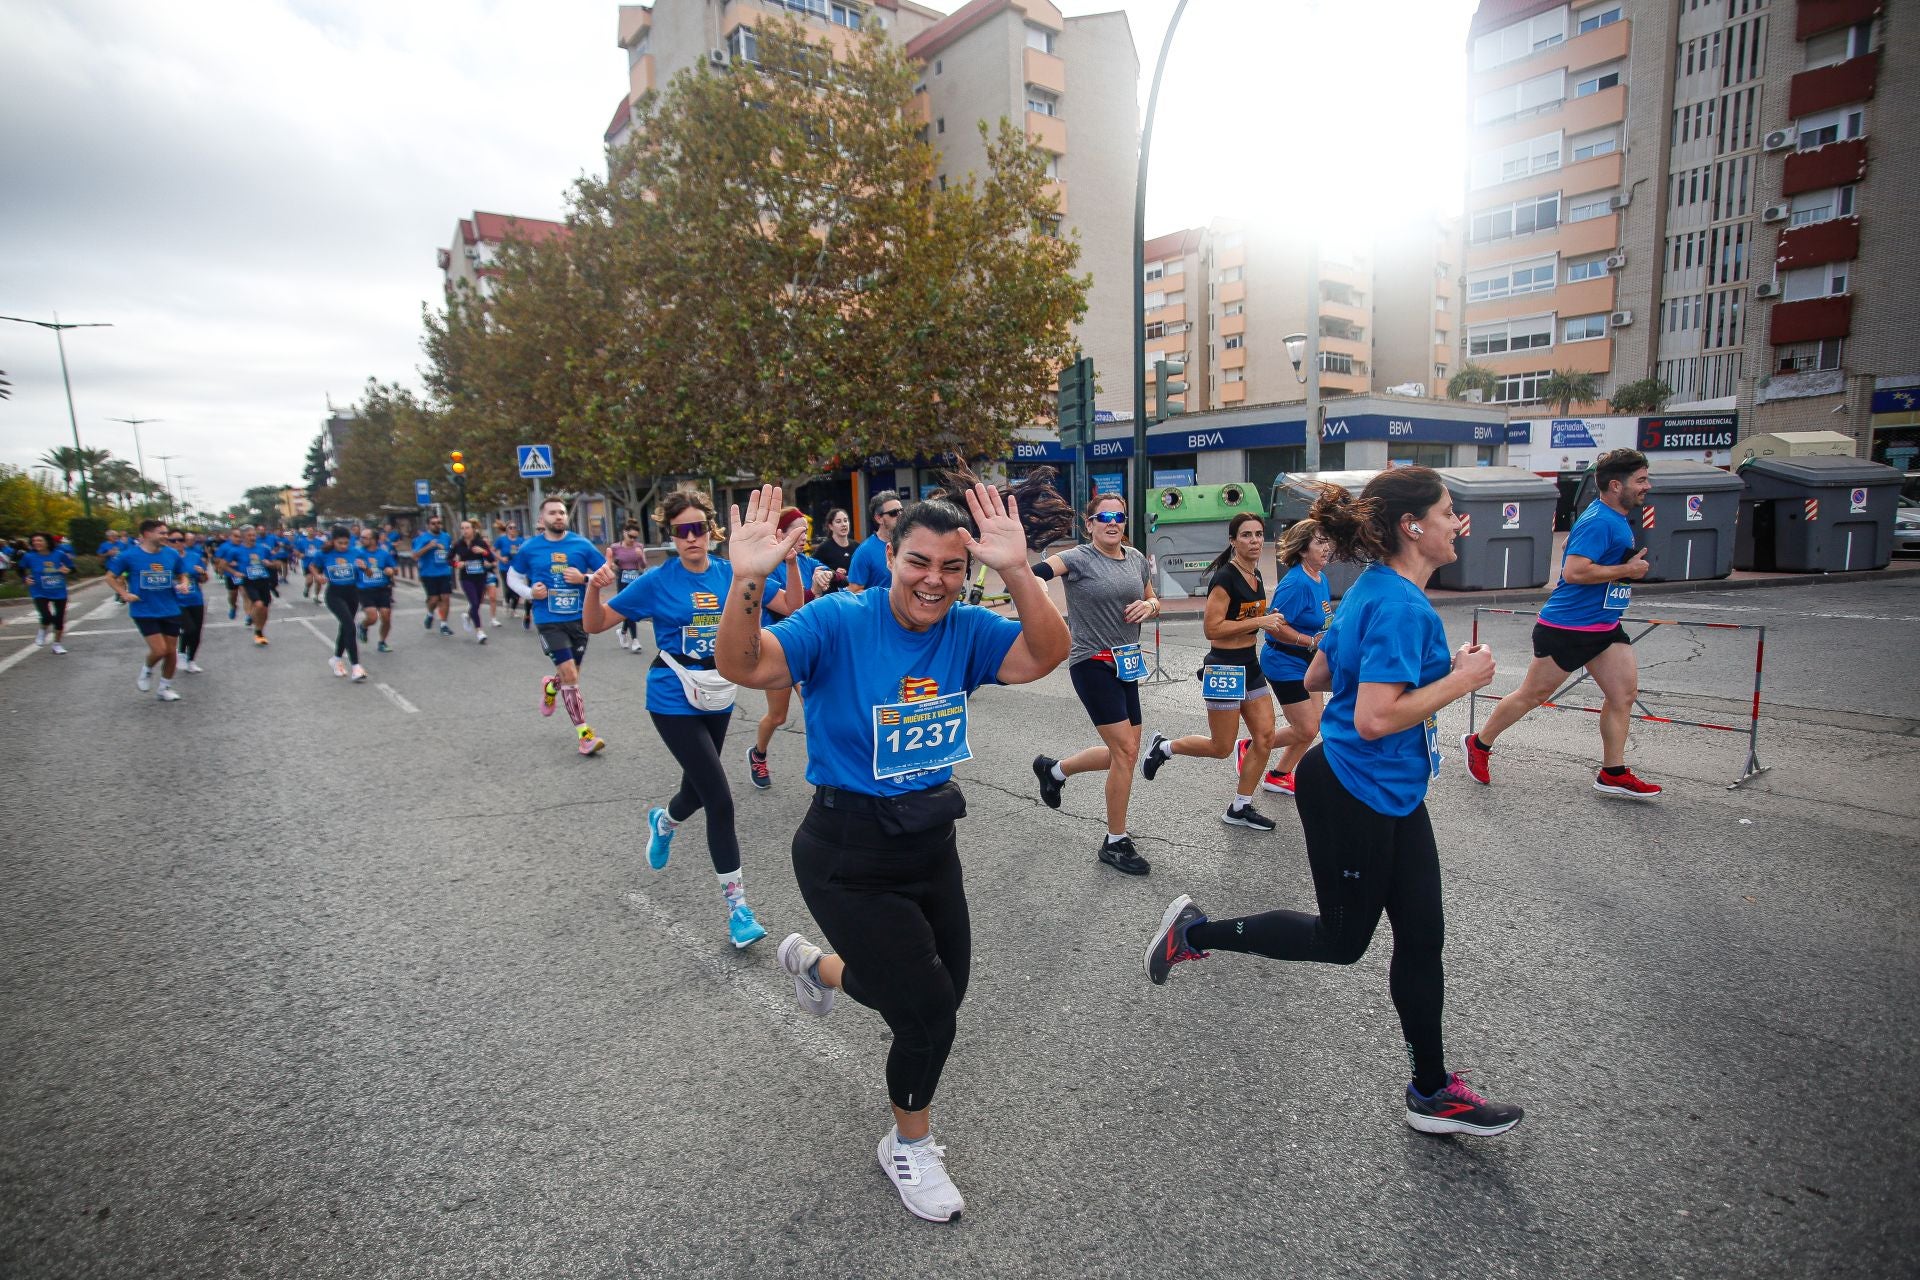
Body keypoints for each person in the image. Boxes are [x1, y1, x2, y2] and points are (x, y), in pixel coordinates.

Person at [716, 475, 1072, 1224]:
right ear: (889, 552)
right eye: (919, 562)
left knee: (943, 989)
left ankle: (814, 966)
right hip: (847, 850)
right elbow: (745, 666)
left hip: (929, 840)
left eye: (952, 567)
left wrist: (1015, 569)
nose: (934, 581)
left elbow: (1044, 655)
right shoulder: (840, 620)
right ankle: (908, 1144)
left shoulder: (968, 628)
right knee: (928, 1017)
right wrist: (747, 581)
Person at [1143, 469, 1524, 1139]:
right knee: (1341, 942)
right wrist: (1462, 678)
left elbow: (1320, 673)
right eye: (1446, 511)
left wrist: (1432, 669)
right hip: (1355, 786)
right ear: (1412, 526)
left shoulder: (1376, 590)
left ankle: (1431, 1091)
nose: (1455, 523)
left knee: (1423, 938)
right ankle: (1193, 933)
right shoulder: (1398, 604)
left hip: (1393, 789)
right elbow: (1375, 718)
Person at [585, 490, 765, 949]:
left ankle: (664, 822)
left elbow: (789, 605)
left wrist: (786, 563)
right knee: (720, 798)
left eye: (699, 529)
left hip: (719, 692)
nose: (691, 538)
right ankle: (738, 910)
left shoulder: (730, 573)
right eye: (682, 531)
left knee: (696, 789)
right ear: (671, 535)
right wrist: (592, 588)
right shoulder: (656, 581)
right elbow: (595, 624)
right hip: (671, 695)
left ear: (711, 532)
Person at [1463, 448, 1661, 799]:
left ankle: (1612, 772)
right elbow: (1573, 571)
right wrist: (1626, 570)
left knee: (1623, 695)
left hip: (1604, 628)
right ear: (1616, 485)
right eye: (1641, 480)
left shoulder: (1610, 517)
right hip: (1567, 628)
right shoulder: (1600, 520)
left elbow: (1575, 547)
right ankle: (1479, 743)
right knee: (1533, 695)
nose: (1647, 486)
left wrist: (1619, 567)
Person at [1028, 493, 1160, 875]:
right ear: (1089, 525)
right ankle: (1115, 842)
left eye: (1119, 515)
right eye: (1103, 517)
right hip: (1091, 663)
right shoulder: (1078, 558)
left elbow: (1153, 599)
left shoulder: (1135, 559)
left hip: (1127, 663)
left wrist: (1149, 607)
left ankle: (1054, 771)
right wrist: (1037, 591)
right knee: (1124, 752)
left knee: (1128, 751)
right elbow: (1038, 574)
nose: (1112, 522)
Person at [1137, 512, 1283, 832]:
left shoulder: (1256, 575)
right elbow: (1212, 628)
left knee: (1266, 736)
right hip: (1224, 668)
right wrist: (1260, 622)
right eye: (1246, 535)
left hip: (1250, 664)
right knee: (1222, 747)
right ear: (1233, 541)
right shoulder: (1225, 578)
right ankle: (1164, 747)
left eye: (1259, 534)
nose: (1255, 540)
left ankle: (1240, 806)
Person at [1240, 518, 1336, 797]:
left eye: (1327, 541)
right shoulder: (1295, 583)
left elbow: (1322, 618)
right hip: (1285, 661)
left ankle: (1279, 775)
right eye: (1319, 542)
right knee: (1305, 727)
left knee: (1311, 727)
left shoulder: (1320, 577)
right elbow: (1275, 625)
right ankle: (1252, 746)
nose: (1326, 547)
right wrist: (1309, 641)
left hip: (1310, 660)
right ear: (1303, 549)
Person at [507, 498, 608, 756]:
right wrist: (530, 593)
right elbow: (512, 577)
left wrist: (583, 578)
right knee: (571, 676)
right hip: (548, 620)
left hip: (578, 619)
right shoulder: (530, 548)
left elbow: (607, 573)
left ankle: (550, 687)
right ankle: (585, 736)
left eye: (562, 512)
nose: (559, 516)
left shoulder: (581, 545)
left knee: (570, 675)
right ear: (542, 520)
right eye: (552, 513)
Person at [746, 507, 830, 790]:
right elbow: (788, 606)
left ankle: (827, 773)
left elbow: (832, 589)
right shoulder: (768, 566)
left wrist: (831, 580)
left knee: (816, 711)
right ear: (780, 533)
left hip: (810, 647)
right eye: (797, 530)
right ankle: (758, 754)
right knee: (778, 716)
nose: (803, 536)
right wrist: (813, 592)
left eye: (805, 531)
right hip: (779, 647)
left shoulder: (810, 562)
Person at [105, 519, 191, 702]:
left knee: (170, 652)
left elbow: (182, 574)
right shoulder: (128, 556)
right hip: (144, 610)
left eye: (166, 533)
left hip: (170, 608)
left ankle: (164, 688)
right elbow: (110, 577)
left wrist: (184, 584)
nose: (166, 537)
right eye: (162, 533)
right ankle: (147, 669)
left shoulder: (172, 554)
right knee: (159, 650)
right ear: (146, 534)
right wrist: (124, 593)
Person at [310, 525, 368, 681]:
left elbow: (367, 572)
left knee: (346, 627)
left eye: (346, 543)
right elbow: (313, 566)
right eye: (340, 543)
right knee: (350, 626)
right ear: (333, 541)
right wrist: (318, 576)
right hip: (334, 594)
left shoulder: (356, 552)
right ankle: (356, 667)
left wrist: (365, 568)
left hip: (352, 593)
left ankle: (336, 659)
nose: (343, 546)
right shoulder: (324, 554)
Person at [22, 533, 75, 654]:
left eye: (39, 541)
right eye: (34, 541)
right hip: (39, 590)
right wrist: (25, 578)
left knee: (59, 619)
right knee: (46, 616)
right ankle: (42, 632)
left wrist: (67, 570)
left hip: (58, 590)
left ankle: (57, 644)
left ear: (47, 542)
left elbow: (72, 567)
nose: (36, 543)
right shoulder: (29, 556)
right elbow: (20, 569)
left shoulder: (59, 554)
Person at [846, 490, 903, 593]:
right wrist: (882, 599)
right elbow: (854, 591)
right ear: (879, 518)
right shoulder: (864, 551)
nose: (900, 515)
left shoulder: (909, 544)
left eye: (901, 511)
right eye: (893, 513)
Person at [605, 522, 649, 653]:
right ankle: (635, 639)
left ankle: (623, 631)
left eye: (635, 537)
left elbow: (643, 565)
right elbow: (608, 562)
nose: (632, 540)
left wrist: (640, 556)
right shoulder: (615, 547)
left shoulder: (639, 547)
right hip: (622, 580)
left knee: (630, 608)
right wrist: (613, 565)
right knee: (628, 607)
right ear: (624, 533)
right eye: (630, 536)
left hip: (635, 580)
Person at [449, 519, 495, 644]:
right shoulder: (457, 544)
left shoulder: (480, 542)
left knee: (478, 602)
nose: (465, 530)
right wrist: (456, 563)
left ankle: (468, 615)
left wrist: (483, 552)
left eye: (467, 528)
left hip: (480, 576)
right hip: (466, 578)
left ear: (473, 529)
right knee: (474, 602)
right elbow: (449, 559)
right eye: (462, 528)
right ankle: (479, 631)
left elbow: (491, 558)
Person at [171, 529, 209, 673]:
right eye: (174, 541)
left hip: (195, 599)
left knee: (197, 632)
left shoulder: (194, 556)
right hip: (177, 601)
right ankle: (181, 653)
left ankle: (191, 660)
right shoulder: (166, 558)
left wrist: (202, 572)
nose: (179, 543)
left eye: (181, 540)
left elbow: (204, 580)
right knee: (189, 628)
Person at [355, 529, 398, 652]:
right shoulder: (358, 553)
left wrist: (391, 571)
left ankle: (382, 642)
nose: (361, 539)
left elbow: (394, 568)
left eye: (364, 537)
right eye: (361, 537)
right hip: (365, 589)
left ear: (373, 540)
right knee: (373, 617)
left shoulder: (384, 554)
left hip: (382, 589)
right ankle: (363, 626)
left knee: (386, 617)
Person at [231, 528, 276, 645]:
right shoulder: (237, 550)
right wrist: (235, 572)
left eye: (254, 535)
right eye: (249, 535)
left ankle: (259, 631)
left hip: (263, 580)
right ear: (244, 537)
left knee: (265, 610)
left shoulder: (263, 548)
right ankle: (251, 616)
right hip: (248, 581)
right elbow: (222, 564)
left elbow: (275, 563)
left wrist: (269, 563)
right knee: (258, 604)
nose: (252, 538)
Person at [413, 515, 454, 636]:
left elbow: (450, 552)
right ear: (428, 525)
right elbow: (415, 555)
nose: (436, 525)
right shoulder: (422, 538)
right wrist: (429, 546)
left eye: (438, 523)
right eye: (433, 523)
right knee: (434, 599)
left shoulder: (446, 537)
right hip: (428, 573)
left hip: (444, 572)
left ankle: (444, 625)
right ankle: (430, 614)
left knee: (445, 597)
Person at [813, 506, 856, 592]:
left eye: (845, 520)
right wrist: (832, 572)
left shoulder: (857, 546)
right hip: (832, 596)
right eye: (838, 521)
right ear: (831, 526)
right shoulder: (824, 548)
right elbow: (813, 570)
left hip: (854, 595)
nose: (843, 524)